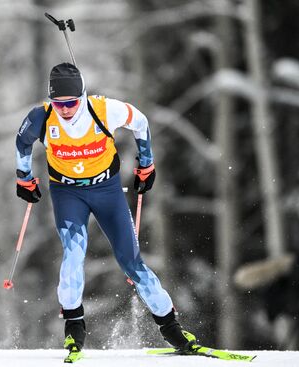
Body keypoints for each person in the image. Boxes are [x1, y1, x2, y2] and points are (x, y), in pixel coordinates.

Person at [15, 62, 196, 362]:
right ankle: (73, 328)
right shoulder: (42, 118)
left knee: (130, 261)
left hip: (107, 191)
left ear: (82, 96)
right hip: (67, 192)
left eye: (71, 103)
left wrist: (146, 163)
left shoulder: (103, 110)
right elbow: (22, 141)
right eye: (59, 103)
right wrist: (23, 178)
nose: (65, 109)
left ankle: (172, 328)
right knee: (74, 254)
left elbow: (141, 122)